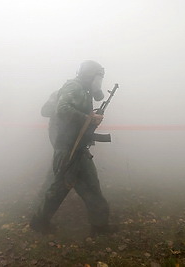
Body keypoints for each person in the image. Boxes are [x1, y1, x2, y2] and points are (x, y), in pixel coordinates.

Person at [30, 60, 117, 236]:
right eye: (98, 77)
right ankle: (39, 221)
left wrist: (88, 121)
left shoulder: (83, 90)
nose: (99, 82)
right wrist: (89, 118)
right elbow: (62, 109)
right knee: (61, 186)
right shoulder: (74, 87)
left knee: (88, 184)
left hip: (76, 146)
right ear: (88, 75)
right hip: (69, 146)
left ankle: (99, 225)